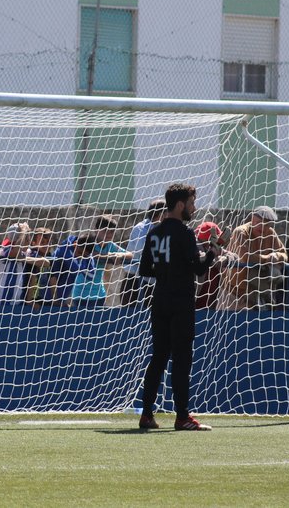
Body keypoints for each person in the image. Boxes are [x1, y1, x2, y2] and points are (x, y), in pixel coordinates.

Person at [138, 183, 216, 432]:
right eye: (192, 203)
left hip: (160, 299)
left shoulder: (154, 233)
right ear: (180, 204)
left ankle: (146, 414)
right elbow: (199, 269)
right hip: (181, 301)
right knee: (182, 359)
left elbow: (144, 269)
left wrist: (167, 272)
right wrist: (212, 254)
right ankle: (182, 416)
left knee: (159, 357)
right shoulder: (185, 233)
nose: (194, 208)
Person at [219, 206, 287, 310]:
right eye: (259, 223)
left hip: (256, 294)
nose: (262, 227)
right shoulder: (240, 232)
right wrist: (267, 258)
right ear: (252, 219)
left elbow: (285, 254)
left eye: (266, 224)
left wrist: (277, 256)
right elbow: (246, 257)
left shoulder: (270, 233)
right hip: (233, 292)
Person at [71, 215, 132, 307]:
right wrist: (109, 256)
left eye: (112, 231)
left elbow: (130, 255)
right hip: (81, 295)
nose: (109, 234)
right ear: (96, 230)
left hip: (99, 295)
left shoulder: (110, 245)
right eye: (105, 230)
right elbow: (91, 254)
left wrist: (120, 255)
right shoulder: (89, 241)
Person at [124, 199, 166, 306]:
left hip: (153, 280)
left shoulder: (164, 228)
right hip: (135, 280)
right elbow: (144, 251)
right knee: (131, 312)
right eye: (167, 213)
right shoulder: (141, 229)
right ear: (161, 214)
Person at [0, 222, 31, 302]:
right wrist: (23, 231)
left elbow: (44, 262)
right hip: (2, 299)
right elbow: (16, 253)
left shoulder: (26, 252)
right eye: (27, 237)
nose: (29, 240)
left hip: (18, 300)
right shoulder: (4, 250)